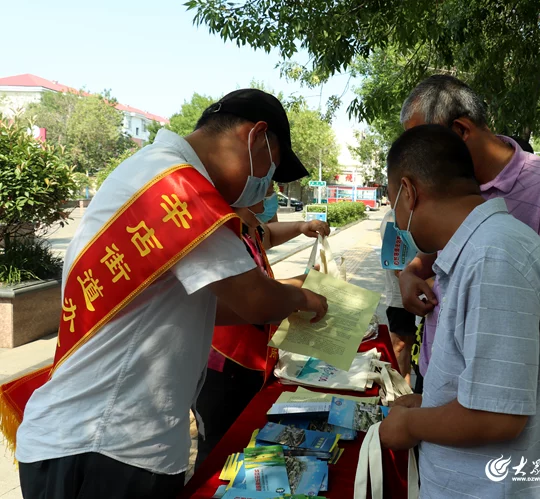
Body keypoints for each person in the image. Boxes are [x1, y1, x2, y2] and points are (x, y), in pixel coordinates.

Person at [10, 89, 328, 499]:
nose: (267, 188)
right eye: (272, 168)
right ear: (256, 137)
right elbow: (254, 300)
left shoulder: (153, 171)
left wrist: (285, 303)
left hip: (91, 442)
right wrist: (304, 298)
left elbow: (207, 309)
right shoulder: (181, 188)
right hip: (105, 449)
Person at [378, 125, 540, 498]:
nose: (396, 219)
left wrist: (412, 426)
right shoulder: (481, 248)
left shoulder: (493, 257)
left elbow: (497, 417)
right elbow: (488, 386)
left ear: (410, 193)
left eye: (391, 199)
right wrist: (429, 405)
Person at [398, 76, 540, 378]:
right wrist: (410, 274)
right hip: (437, 370)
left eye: (424, 145)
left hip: (501, 381)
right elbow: (442, 255)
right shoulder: (444, 185)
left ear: (461, 131)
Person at [195, 184, 330, 468]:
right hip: (225, 364)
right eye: (266, 184)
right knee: (221, 448)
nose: (270, 191)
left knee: (248, 439)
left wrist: (302, 227)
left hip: (254, 358)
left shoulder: (249, 226)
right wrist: (298, 287)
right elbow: (253, 298)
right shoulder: (223, 234)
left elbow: (266, 235)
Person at [379, 209, 417, 383]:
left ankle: (405, 386)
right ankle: (399, 390)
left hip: (429, 291)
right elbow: (397, 267)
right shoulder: (394, 217)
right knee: (400, 344)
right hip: (401, 295)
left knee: (411, 345)